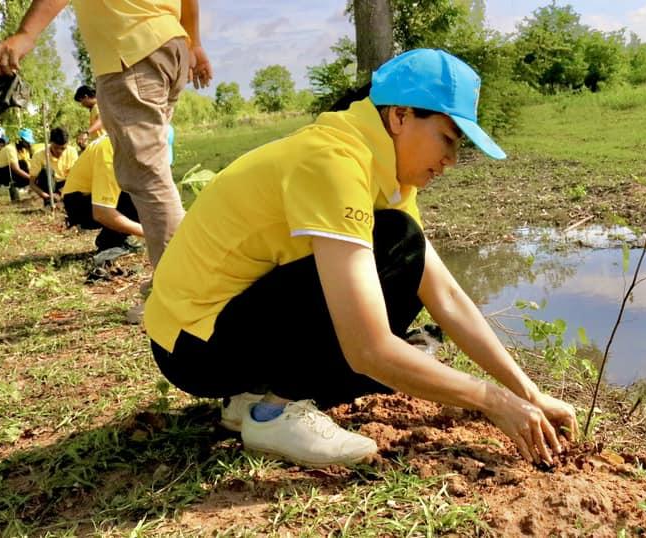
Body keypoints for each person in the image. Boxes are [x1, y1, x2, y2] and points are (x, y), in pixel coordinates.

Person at [144, 49, 577, 469]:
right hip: (193, 347)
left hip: (219, 330)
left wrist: (528, 392)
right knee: (397, 261)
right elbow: (367, 348)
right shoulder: (334, 160)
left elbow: (444, 294)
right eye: (446, 138)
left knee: (405, 278)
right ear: (400, 116)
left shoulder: (385, 175)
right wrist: (491, 400)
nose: (451, 160)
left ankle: (251, 398)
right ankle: (274, 413)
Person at [0, 0, 213, 273]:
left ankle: (184, 287)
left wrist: (27, 33)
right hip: (170, 44)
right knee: (148, 175)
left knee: (148, 178)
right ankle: (179, 279)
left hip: (131, 50)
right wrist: (194, 43)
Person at [63, 135, 143, 251]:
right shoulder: (110, 152)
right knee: (138, 199)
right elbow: (101, 212)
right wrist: (147, 232)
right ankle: (109, 243)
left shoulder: (119, 140)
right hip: (78, 203)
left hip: (85, 196)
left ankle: (112, 238)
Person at [28, 127, 78, 203]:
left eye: (63, 148)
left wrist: (60, 194)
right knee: (46, 170)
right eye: (56, 148)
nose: (59, 151)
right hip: (48, 188)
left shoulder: (72, 152)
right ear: (50, 143)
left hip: (65, 186)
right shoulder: (38, 155)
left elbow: (74, 178)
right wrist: (46, 196)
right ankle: (49, 202)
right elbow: (32, 184)